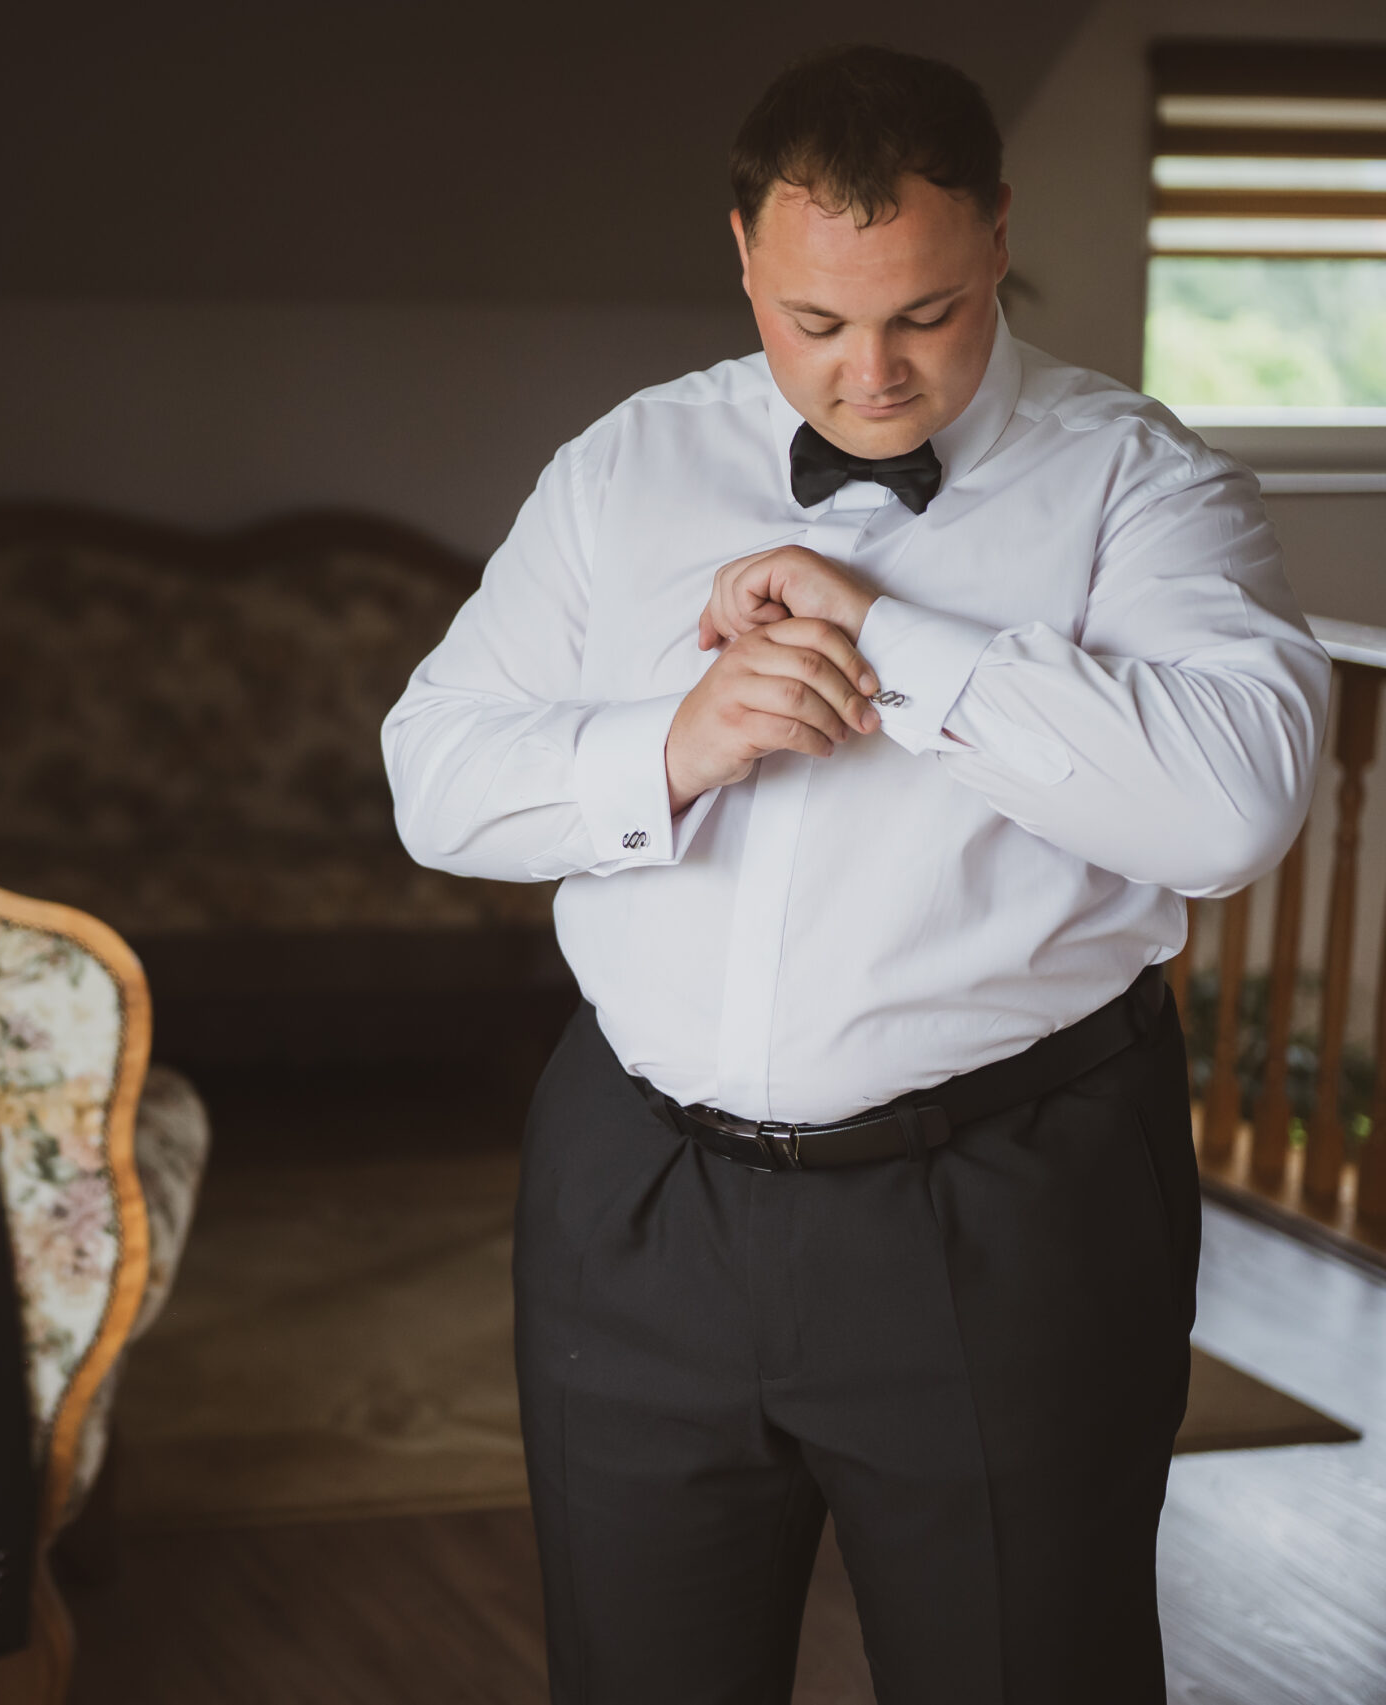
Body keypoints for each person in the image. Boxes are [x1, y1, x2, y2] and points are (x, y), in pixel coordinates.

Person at [382, 43, 1325, 1705]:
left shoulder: (1140, 481)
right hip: (635, 1196)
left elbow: (1232, 809)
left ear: (1000, 236)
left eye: (928, 314)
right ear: (744, 255)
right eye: (815, 320)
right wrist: (671, 745)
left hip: (1004, 1205)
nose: (871, 374)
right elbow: (433, 777)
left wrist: (892, 633)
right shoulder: (625, 469)